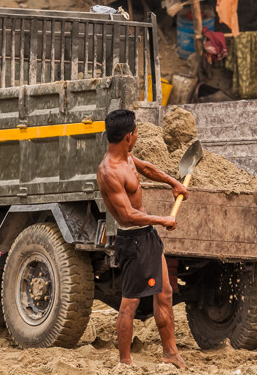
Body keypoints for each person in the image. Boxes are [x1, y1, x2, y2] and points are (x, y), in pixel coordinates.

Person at [96, 109, 189, 369]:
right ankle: (125, 364)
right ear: (128, 136)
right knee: (130, 303)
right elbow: (126, 214)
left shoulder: (125, 156)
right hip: (133, 240)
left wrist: (173, 183)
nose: (137, 136)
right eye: (136, 132)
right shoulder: (109, 171)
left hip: (146, 237)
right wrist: (163, 220)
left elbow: (145, 168)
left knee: (165, 293)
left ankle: (170, 352)